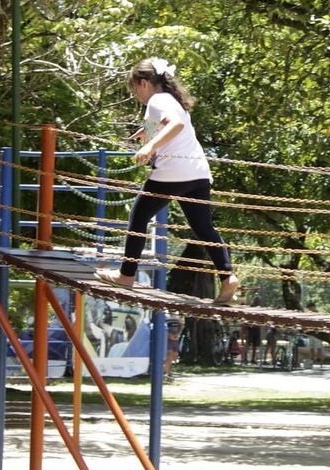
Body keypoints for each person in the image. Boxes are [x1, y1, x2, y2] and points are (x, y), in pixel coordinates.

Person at [96, 58, 240, 303]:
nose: (136, 95)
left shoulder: (157, 100)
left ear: (143, 83)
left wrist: (150, 144)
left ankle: (126, 275)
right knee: (203, 227)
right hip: (197, 172)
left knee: (139, 216)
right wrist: (147, 133)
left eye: (135, 89)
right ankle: (228, 277)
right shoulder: (171, 100)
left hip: (172, 172)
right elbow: (168, 125)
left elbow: (176, 124)